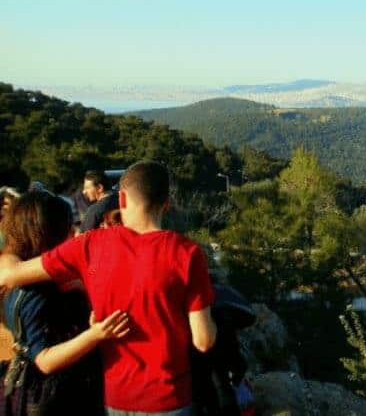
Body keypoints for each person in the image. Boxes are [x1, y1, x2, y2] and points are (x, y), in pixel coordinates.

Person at [0, 161, 217, 416]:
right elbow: (204, 341)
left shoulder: (90, 245)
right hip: (170, 397)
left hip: (117, 397)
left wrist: (12, 244)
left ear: (121, 199)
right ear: (166, 204)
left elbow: (9, 274)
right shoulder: (188, 253)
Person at [0, 191, 130, 414]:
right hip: (58, 397)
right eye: (68, 225)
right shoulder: (36, 290)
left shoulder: (26, 278)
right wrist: (95, 334)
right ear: (50, 231)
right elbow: (45, 360)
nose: (73, 231)